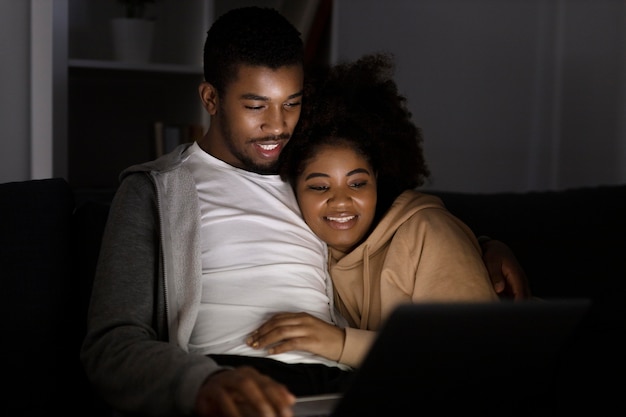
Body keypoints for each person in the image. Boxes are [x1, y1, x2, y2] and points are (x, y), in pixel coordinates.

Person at [81, 6, 529, 417]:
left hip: (341, 380)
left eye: (291, 104)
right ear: (211, 98)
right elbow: (111, 346)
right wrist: (203, 382)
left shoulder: (313, 174)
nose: (277, 126)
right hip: (231, 378)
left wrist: (482, 245)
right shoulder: (155, 190)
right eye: (255, 106)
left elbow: (395, 224)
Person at [246, 53, 499, 367]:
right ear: (294, 189)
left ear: (378, 179)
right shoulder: (307, 249)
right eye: (320, 186)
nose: (341, 201)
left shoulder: (428, 232)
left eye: (357, 183)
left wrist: (338, 342)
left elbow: (473, 357)